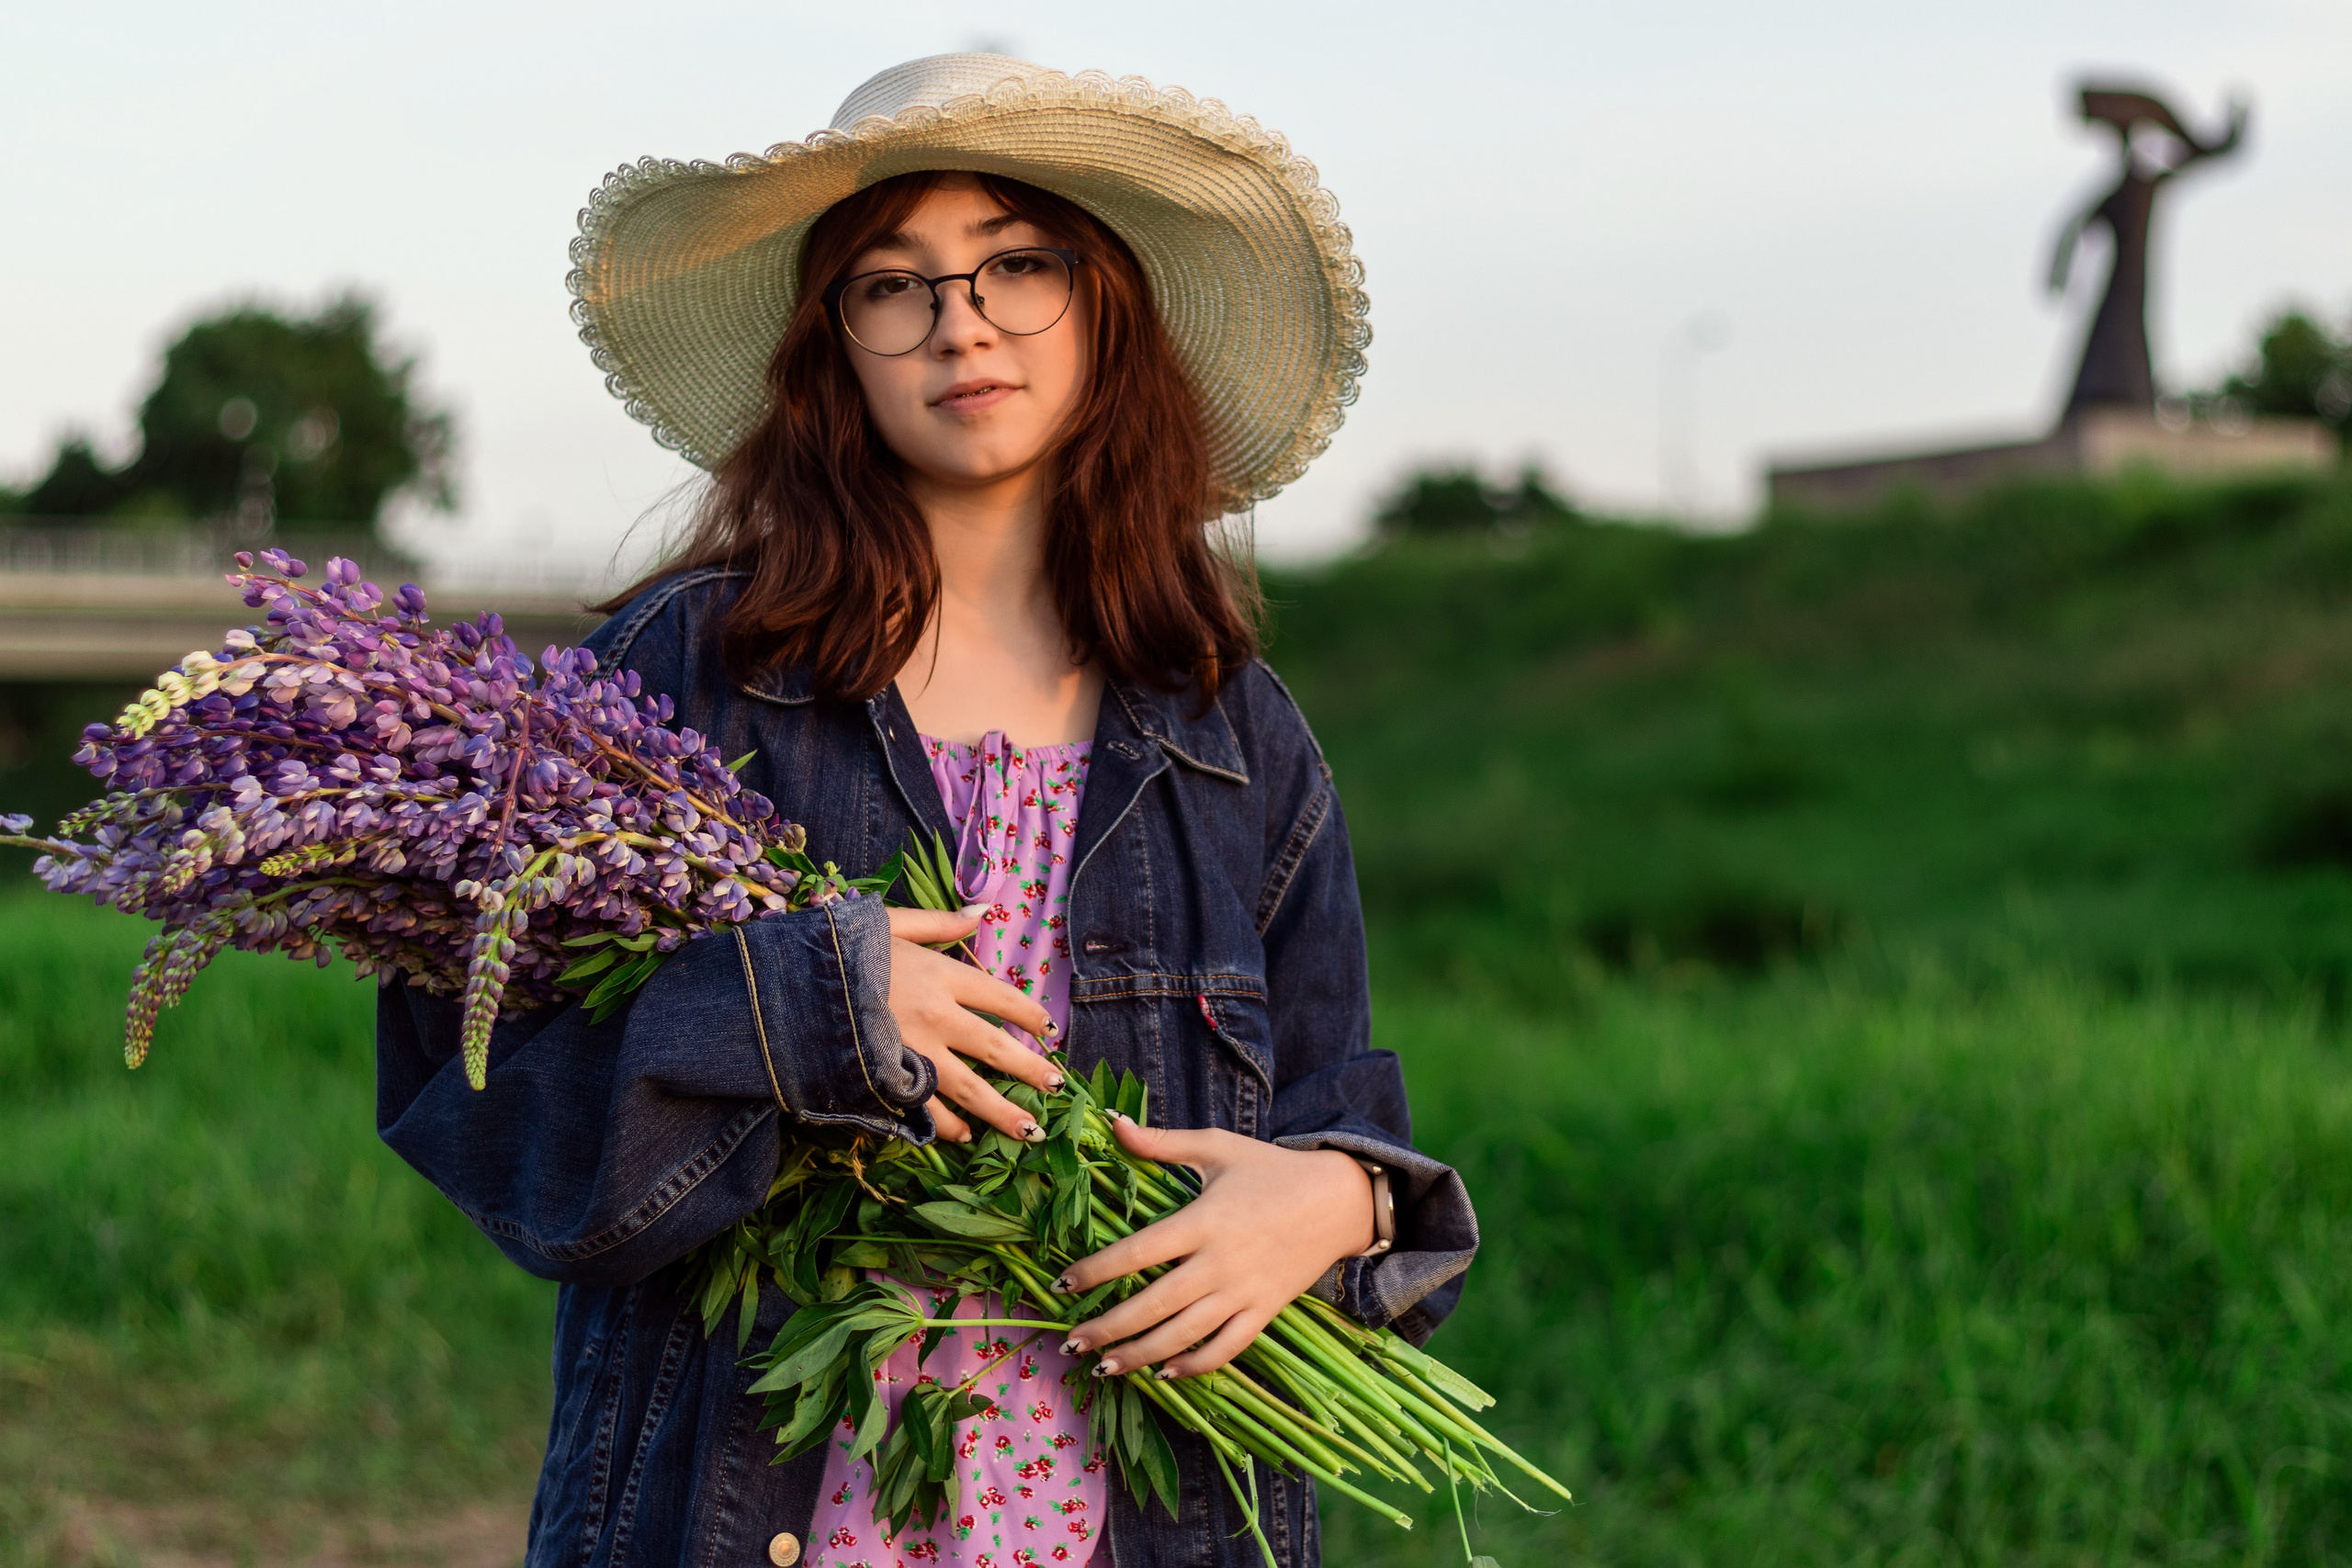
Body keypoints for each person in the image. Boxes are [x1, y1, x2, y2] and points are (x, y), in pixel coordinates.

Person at [376, 53, 1477, 1568]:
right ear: (833, 347)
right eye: (894, 285)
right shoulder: (682, 680)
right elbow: (480, 1105)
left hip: (1136, 1520)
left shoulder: (1235, 733)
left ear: (1105, 306)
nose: (961, 321)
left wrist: (1345, 1203)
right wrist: (791, 1008)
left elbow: (1334, 1108)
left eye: (1018, 264)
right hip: (754, 1519)